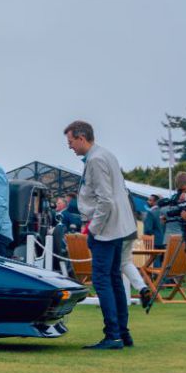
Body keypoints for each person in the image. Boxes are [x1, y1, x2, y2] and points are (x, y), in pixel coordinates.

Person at [65, 120, 136, 351]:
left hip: (105, 229)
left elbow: (105, 199)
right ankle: (122, 333)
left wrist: (93, 228)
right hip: (118, 227)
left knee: (103, 281)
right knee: (114, 280)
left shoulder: (95, 159)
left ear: (81, 138)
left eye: (71, 141)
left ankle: (113, 335)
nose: (70, 147)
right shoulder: (107, 155)